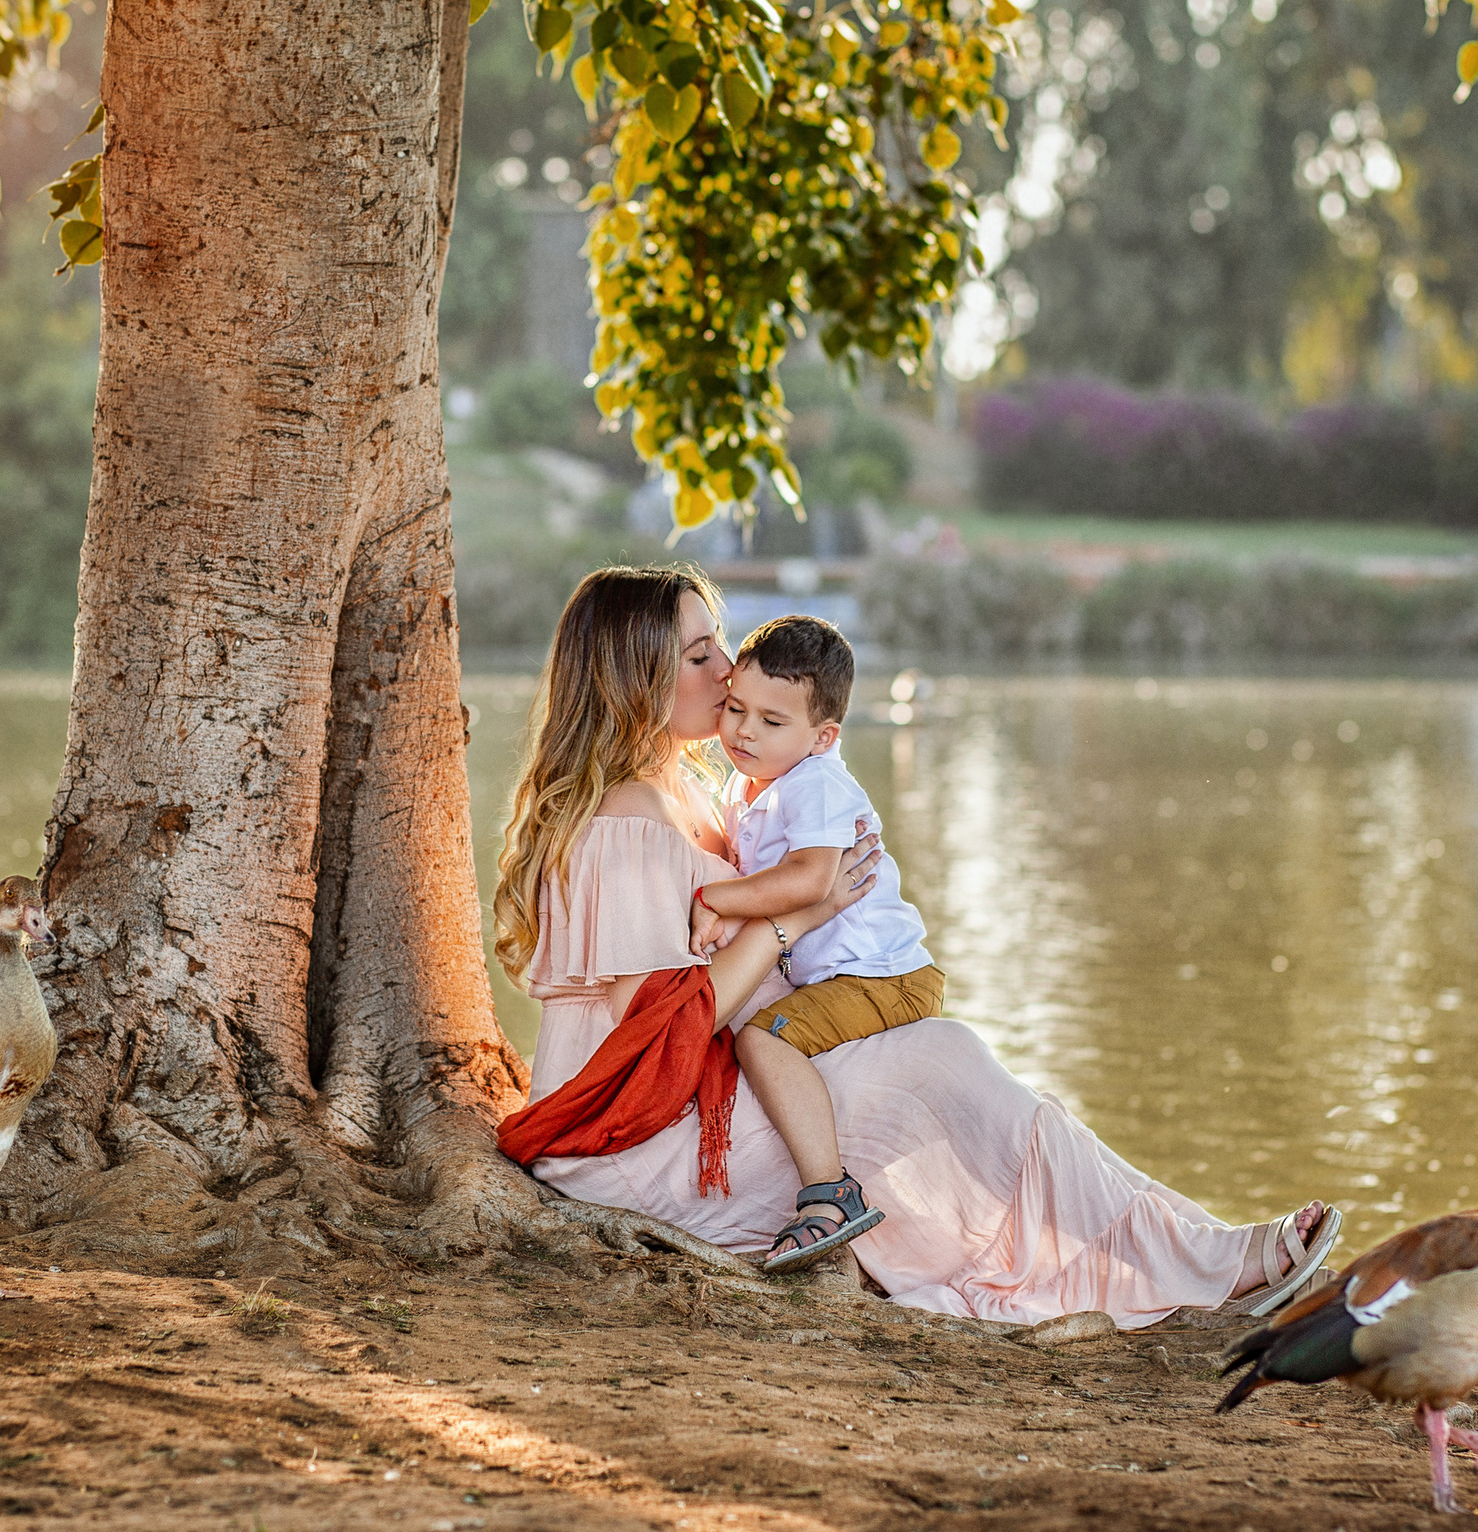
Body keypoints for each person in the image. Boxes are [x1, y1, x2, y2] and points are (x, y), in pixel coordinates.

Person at [491, 565, 1341, 1326]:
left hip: (715, 1088)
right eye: (701, 653)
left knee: (946, 1063)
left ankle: (1200, 1250)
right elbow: (660, 1026)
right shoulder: (625, 820)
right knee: (943, 1059)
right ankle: (1204, 1262)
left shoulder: (694, 794)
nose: (726, 670)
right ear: (634, 675)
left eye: (718, 646)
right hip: (641, 1136)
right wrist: (794, 917)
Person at [688, 614, 945, 1274]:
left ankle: (831, 1194)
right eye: (737, 708)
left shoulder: (817, 784)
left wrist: (716, 900)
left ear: (823, 735)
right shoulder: (747, 784)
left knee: (762, 1039)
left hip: (884, 976)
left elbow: (810, 877)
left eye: (773, 722)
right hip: (842, 975)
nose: (744, 730)